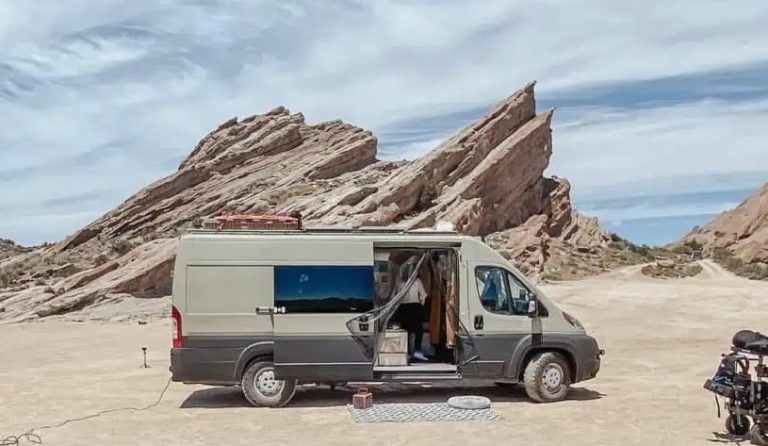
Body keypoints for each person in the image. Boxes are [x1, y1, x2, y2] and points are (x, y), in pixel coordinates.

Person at [393, 257, 429, 362]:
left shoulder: (400, 282)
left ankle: (408, 352)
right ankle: (416, 351)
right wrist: (422, 305)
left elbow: (396, 297)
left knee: (407, 331)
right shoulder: (417, 281)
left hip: (404, 308)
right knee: (417, 330)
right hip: (413, 308)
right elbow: (423, 295)